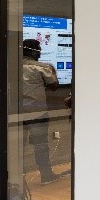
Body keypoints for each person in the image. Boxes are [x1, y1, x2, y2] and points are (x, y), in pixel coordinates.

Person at [21, 39, 61, 184]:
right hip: (37, 112)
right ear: (33, 52)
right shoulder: (42, 67)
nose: (40, 54)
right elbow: (54, 86)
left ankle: (18, 178)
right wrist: (53, 71)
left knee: (18, 146)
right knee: (41, 145)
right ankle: (46, 175)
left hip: (17, 113)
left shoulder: (12, 66)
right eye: (39, 50)